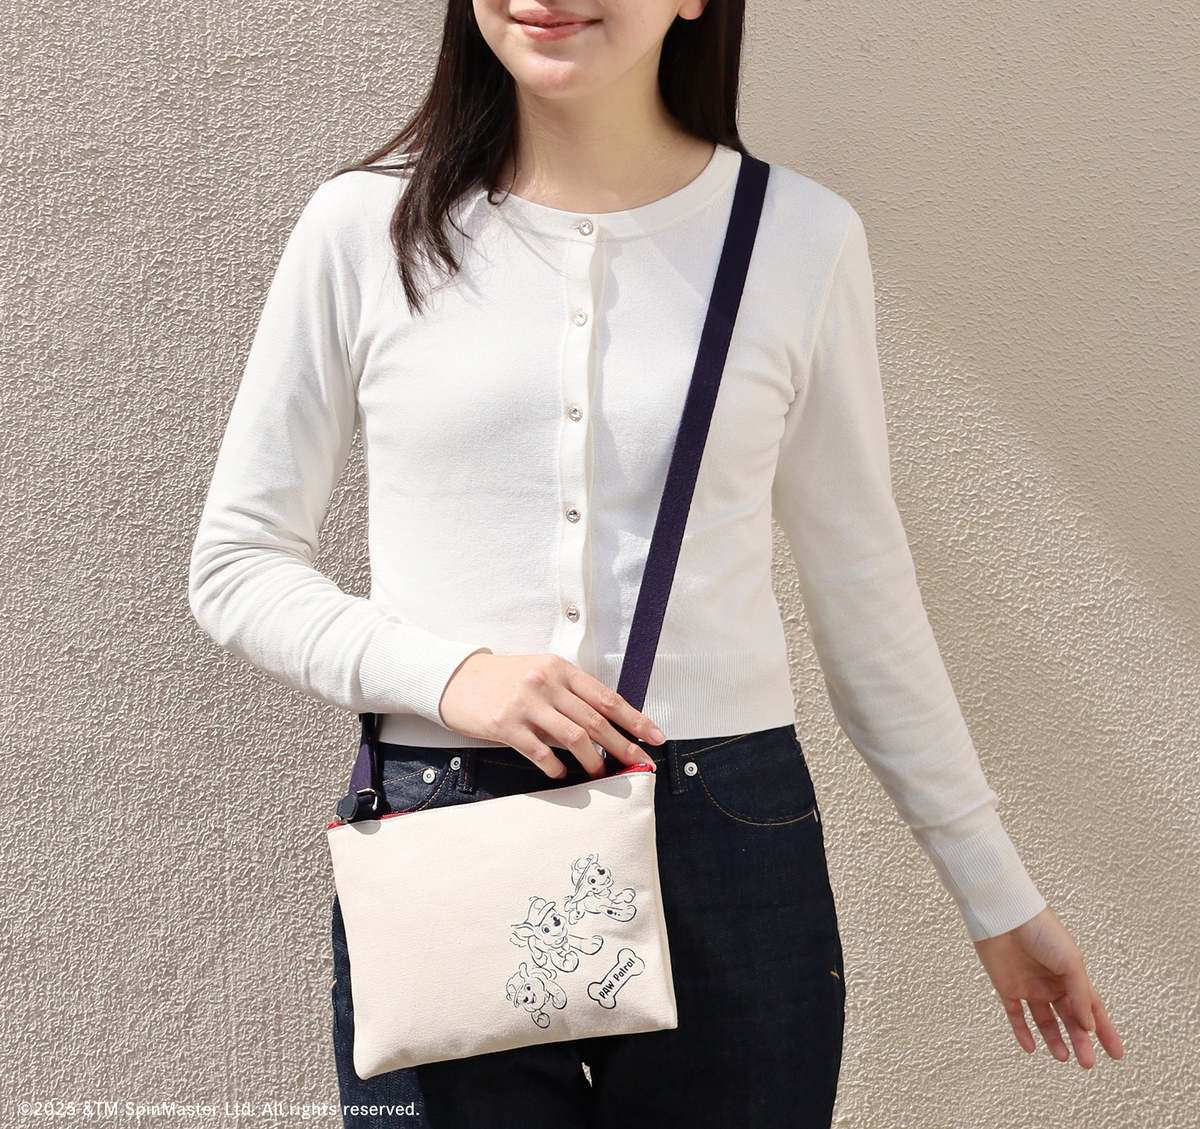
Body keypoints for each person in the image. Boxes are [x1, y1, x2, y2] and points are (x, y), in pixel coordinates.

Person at [187, 2, 1124, 1126]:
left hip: (725, 833)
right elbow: (237, 563)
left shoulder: (798, 237)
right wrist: (451, 675)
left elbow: (866, 600)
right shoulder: (364, 226)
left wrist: (994, 890)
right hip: (445, 825)